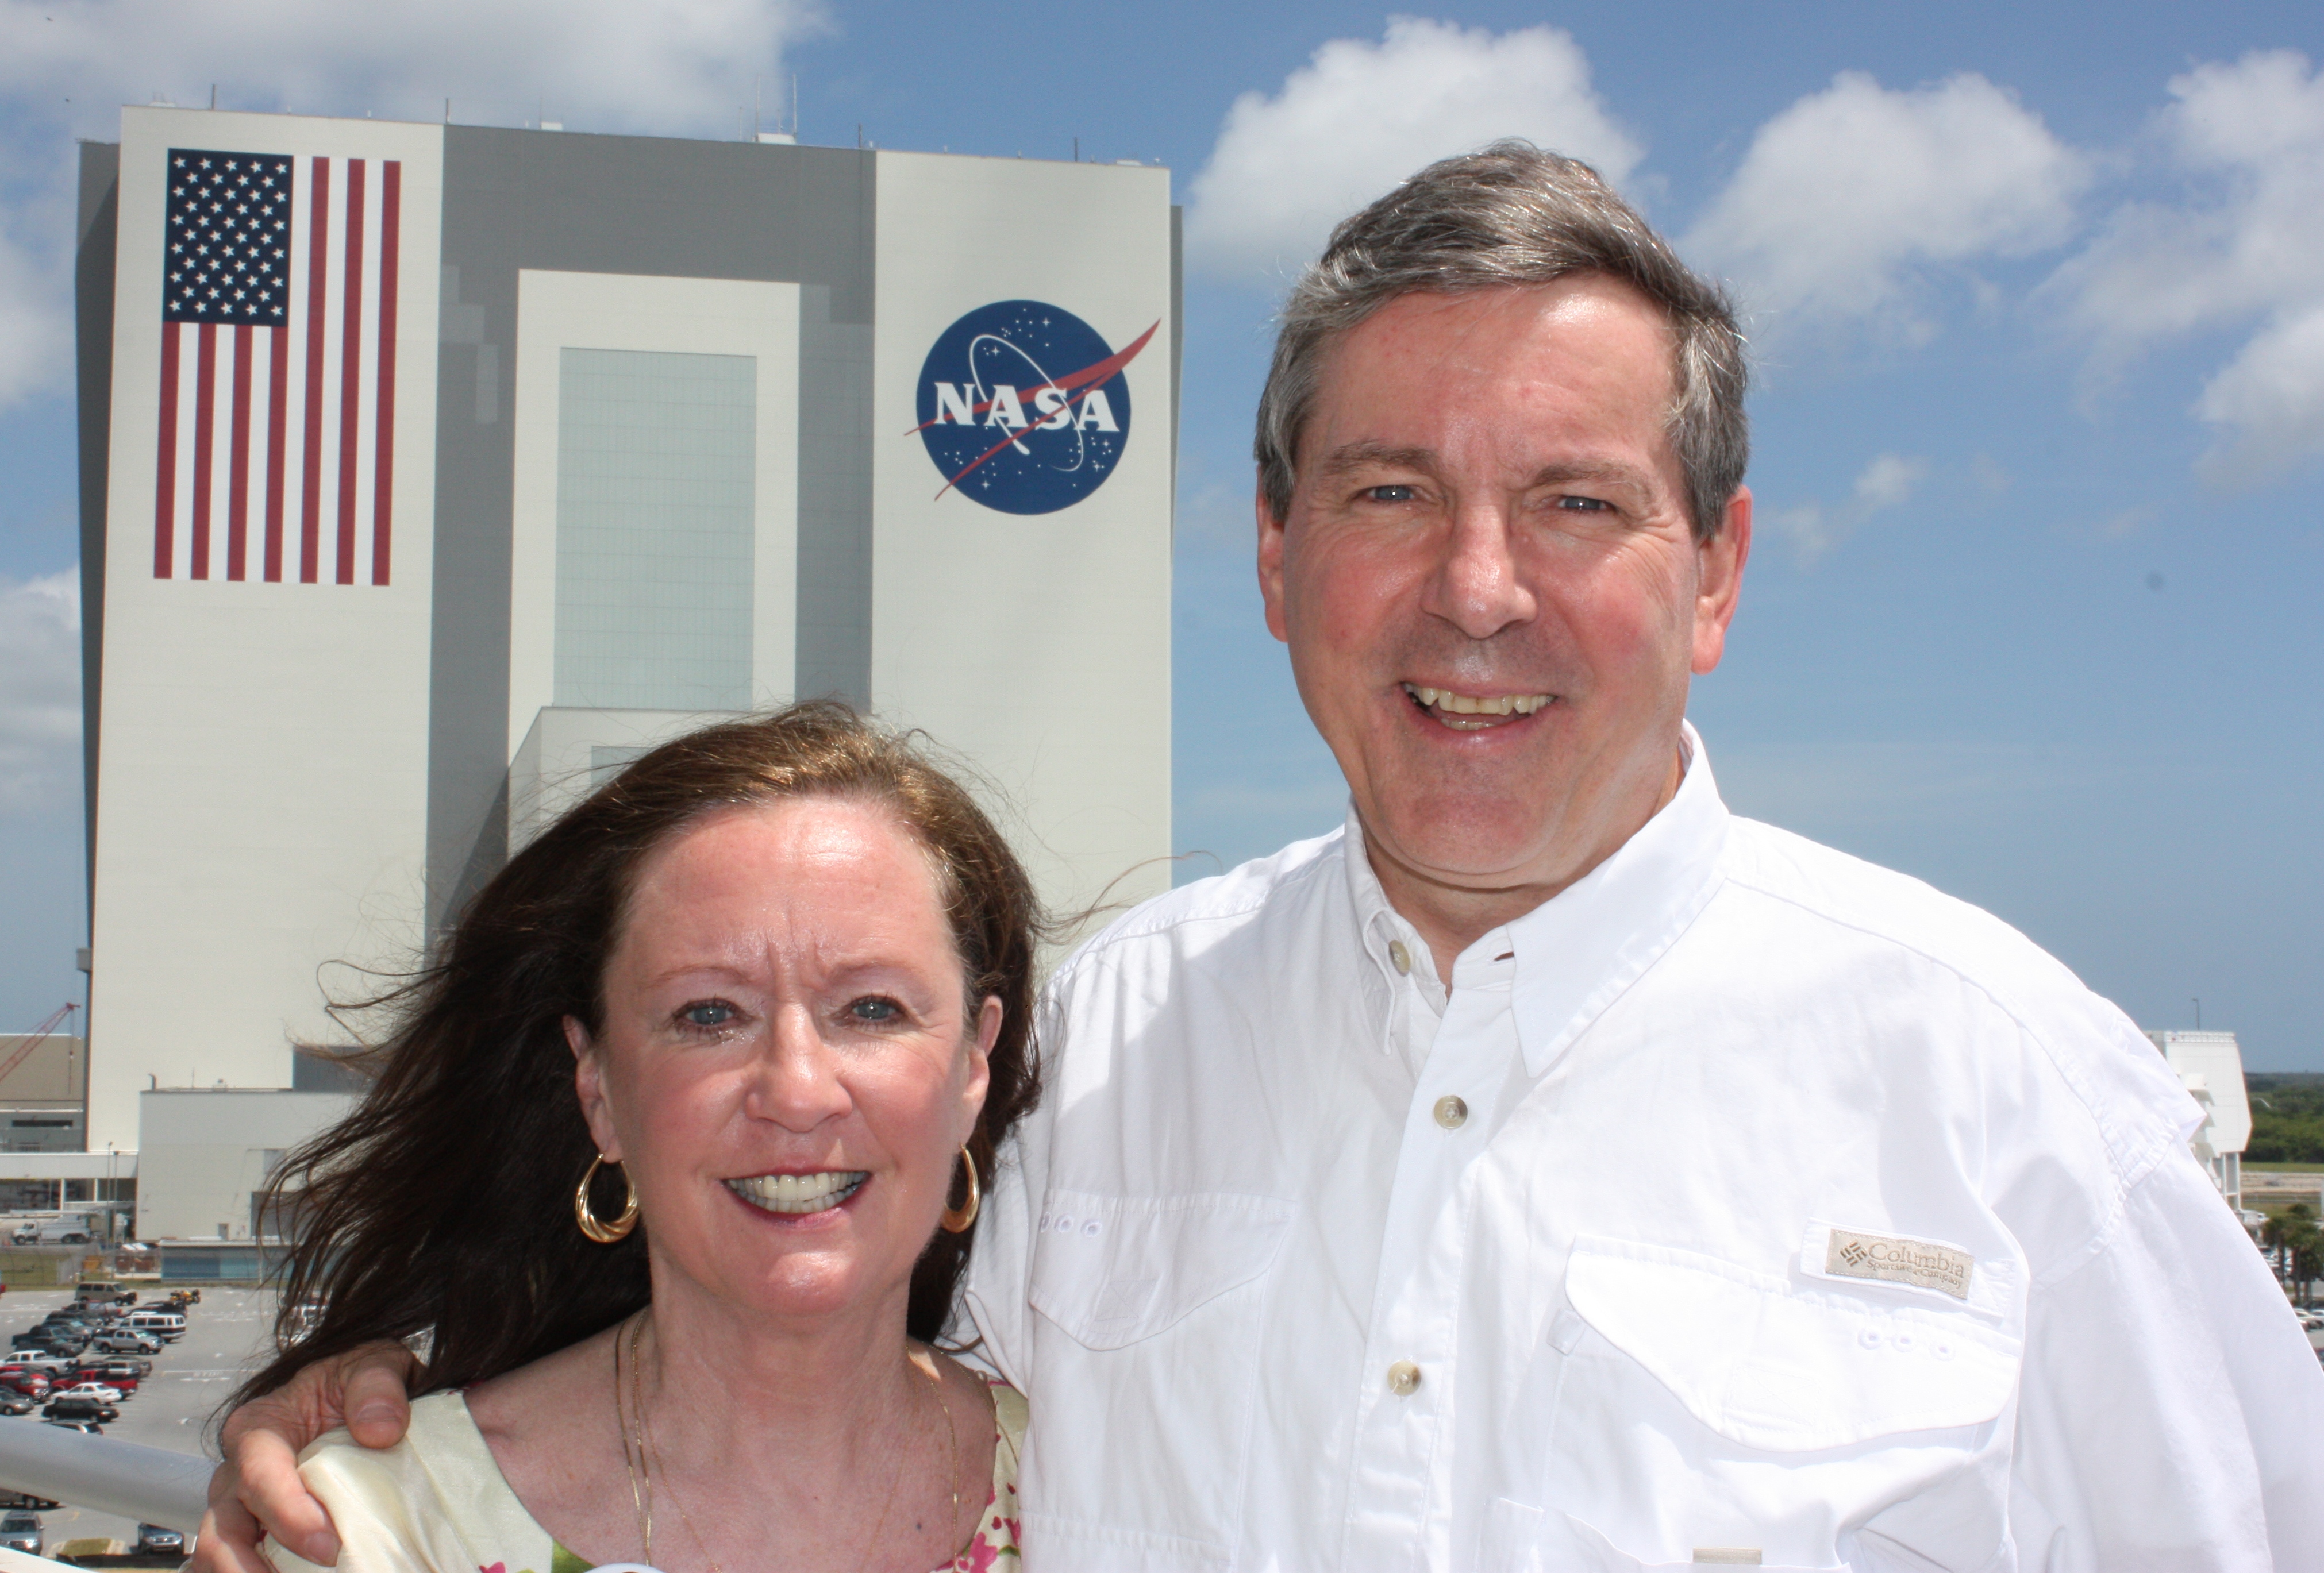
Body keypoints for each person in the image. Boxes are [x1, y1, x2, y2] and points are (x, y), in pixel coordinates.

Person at [204, 145, 2323, 1571]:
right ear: (1276, 554)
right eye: (1391, 492)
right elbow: (771, 1313)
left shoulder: (2011, 1087)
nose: (1473, 592)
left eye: (1576, 503)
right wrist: (377, 1432)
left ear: (1717, 571)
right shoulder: (1096, 1046)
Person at [225, 704, 1041, 1573]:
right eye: (710, 1014)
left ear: (971, 1068)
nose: (797, 1091)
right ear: (599, 1086)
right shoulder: (384, 1526)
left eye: (873, 1009)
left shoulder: (1097, 1480)